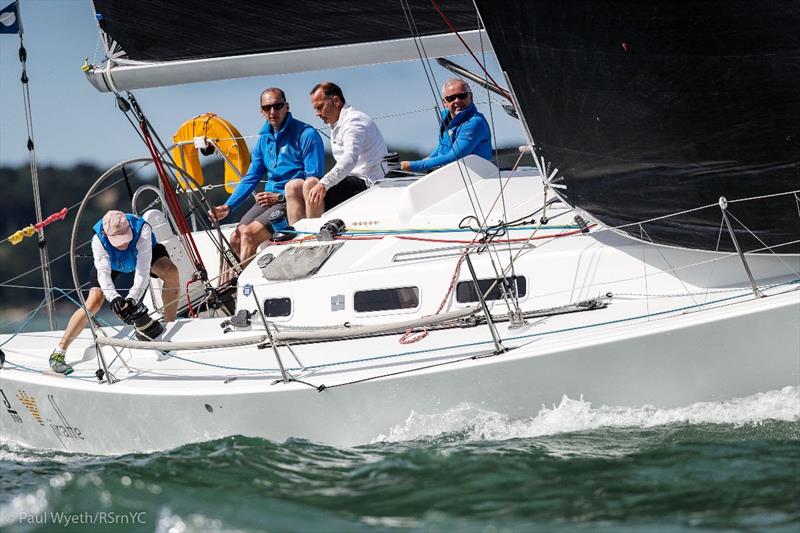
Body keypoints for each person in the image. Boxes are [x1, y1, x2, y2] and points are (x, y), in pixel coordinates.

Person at [49, 210, 180, 374]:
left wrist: (132, 298)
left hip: (141, 257)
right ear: (106, 233)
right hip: (112, 263)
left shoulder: (142, 230)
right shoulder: (98, 240)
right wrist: (115, 298)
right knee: (94, 301)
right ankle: (59, 352)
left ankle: (167, 328)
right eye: (118, 240)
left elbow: (143, 271)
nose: (123, 244)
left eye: (125, 238)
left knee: (171, 272)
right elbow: (103, 273)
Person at [208, 88, 324, 266]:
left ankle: (242, 286)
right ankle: (226, 289)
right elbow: (251, 176)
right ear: (261, 111)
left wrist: (279, 197)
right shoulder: (264, 139)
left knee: (248, 234)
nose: (272, 112)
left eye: (277, 106)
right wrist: (228, 206)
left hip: (290, 199)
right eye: (267, 107)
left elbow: (313, 180)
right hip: (267, 201)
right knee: (235, 237)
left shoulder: (306, 134)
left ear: (287, 106)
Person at [304, 82, 387, 218]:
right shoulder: (338, 122)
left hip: (369, 183)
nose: (317, 114)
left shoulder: (353, 121)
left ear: (336, 101)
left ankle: (313, 235)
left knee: (311, 186)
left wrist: (324, 184)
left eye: (320, 107)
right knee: (298, 187)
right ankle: (299, 234)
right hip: (354, 180)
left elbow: (349, 158)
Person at [401, 78, 492, 172]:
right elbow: (442, 145)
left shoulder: (474, 123)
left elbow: (454, 156)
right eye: (451, 98)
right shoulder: (447, 118)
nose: (457, 101)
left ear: (471, 96)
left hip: (474, 176)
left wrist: (413, 165)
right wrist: (430, 158)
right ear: (444, 102)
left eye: (462, 96)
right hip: (450, 173)